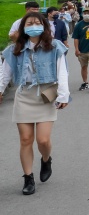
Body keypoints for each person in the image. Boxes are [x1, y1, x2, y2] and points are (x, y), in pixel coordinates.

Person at [0, 12, 71, 194]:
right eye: (29, 23)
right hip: (24, 96)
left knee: (43, 140)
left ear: (44, 26)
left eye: (37, 22)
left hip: (45, 96)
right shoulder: (14, 49)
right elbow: (5, 73)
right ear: (23, 27)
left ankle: (46, 159)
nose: (33, 25)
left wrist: (63, 95)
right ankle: (28, 178)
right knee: (25, 139)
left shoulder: (55, 47)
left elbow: (62, 72)